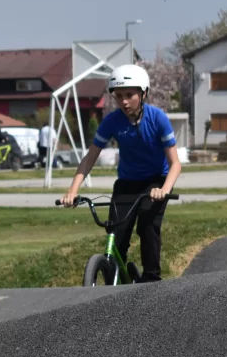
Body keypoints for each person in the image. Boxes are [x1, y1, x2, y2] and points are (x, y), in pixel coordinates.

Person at [59, 64, 182, 282]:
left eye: (129, 95)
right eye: (118, 96)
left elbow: (175, 164)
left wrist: (163, 190)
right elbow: (90, 158)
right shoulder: (112, 121)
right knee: (117, 235)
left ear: (143, 93)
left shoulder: (157, 118)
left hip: (156, 182)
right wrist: (72, 190)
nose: (124, 101)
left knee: (147, 225)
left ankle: (152, 278)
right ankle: (113, 285)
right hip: (127, 183)